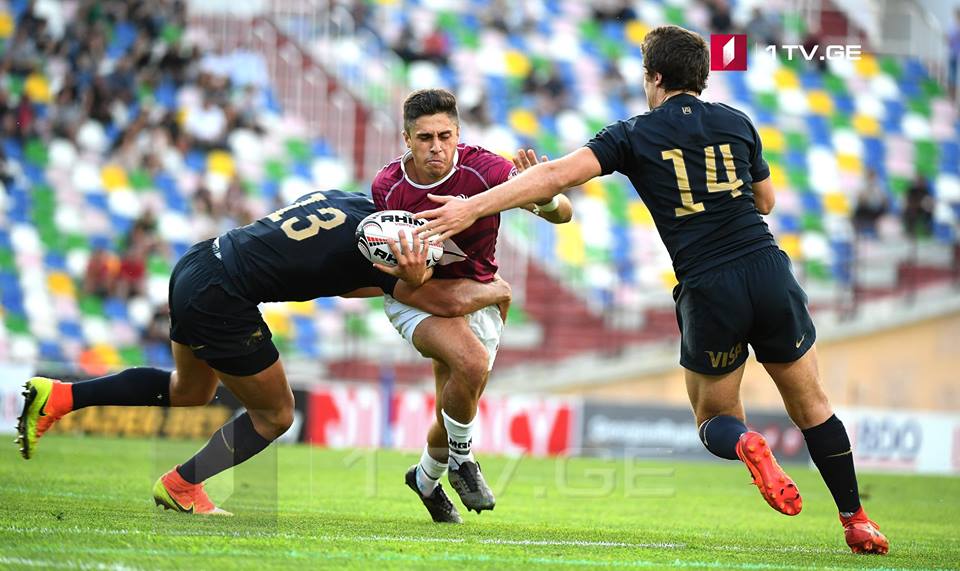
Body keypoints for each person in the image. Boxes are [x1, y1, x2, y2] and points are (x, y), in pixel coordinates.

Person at [415, 26, 888, 554]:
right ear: (703, 78)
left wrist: (472, 206)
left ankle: (749, 443)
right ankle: (856, 519)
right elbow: (767, 201)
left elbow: (556, 178)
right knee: (814, 406)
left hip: (709, 285)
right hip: (768, 269)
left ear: (655, 78)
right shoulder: (737, 122)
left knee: (716, 420)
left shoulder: (633, 133)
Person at [17, 189, 512, 516]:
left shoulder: (350, 202)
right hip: (223, 297)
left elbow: (340, 278)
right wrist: (497, 289)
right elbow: (444, 299)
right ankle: (182, 484)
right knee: (276, 415)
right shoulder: (378, 258)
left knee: (188, 389)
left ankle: (60, 397)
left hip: (198, 261)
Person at [371, 88, 572, 524]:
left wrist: (542, 194)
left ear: (458, 133)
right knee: (472, 362)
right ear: (406, 138)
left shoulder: (486, 170)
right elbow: (402, 275)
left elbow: (564, 213)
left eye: (445, 135)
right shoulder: (388, 187)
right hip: (419, 298)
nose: (436, 147)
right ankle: (464, 461)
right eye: (424, 137)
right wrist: (415, 271)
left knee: (456, 403)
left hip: (474, 298)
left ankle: (424, 480)